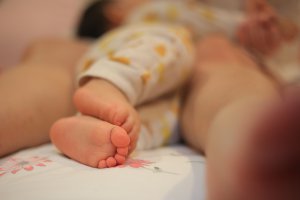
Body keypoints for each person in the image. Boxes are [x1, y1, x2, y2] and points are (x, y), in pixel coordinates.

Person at [0, 0, 299, 199]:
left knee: (131, 126)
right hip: (149, 56)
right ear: (114, 13)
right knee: (222, 70)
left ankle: (93, 127)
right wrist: (244, 27)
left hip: (140, 83)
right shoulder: (156, 18)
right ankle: (245, 142)